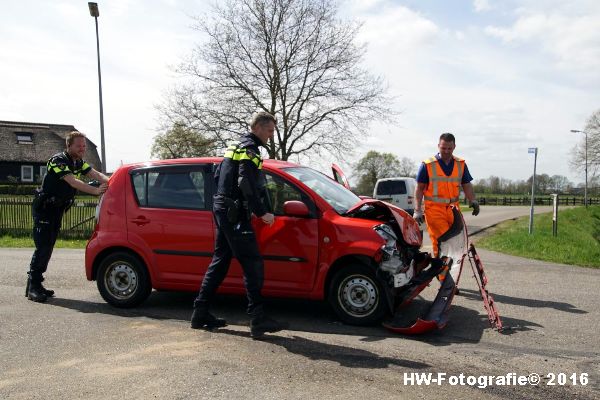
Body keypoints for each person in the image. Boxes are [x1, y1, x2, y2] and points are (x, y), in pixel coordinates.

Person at [191, 112, 288, 339]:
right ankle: (258, 319)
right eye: (270, 131)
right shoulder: (250, 150)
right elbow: (245, 181)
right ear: (259, 128)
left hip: (223, 208)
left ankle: (200, 312)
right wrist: (261, 212)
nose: (272, 136)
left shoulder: (234, 146)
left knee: (221, 260)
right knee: (252, 263)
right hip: (234, 213)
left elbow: (218, 177)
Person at [26, 131, 108, 302]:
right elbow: (72, 182)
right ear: (68, 146)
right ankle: (33, 287)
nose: (82, 149)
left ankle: (37, 284)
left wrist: (112, 182)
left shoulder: (77, 162)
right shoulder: (58, 161)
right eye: (78, 146)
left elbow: (95, 174)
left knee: (48, 247)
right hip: (45, 210)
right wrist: (95, 191)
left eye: (84, 146)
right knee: (43, 248)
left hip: (57, 210)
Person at [413, 133, 479, 261]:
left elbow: (466, 184)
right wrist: (417, 210)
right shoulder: (427, 165)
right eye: (443, 148)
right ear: (438, 146)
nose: (446, 151)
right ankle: (444, 277)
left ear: (454, 147)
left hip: (454, 210)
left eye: (449, 148)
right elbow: (419, 188)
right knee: (444, 241)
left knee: (456, 241)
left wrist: (473, 200)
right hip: (434, 211)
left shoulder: (461, 164)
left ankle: (448, 270)